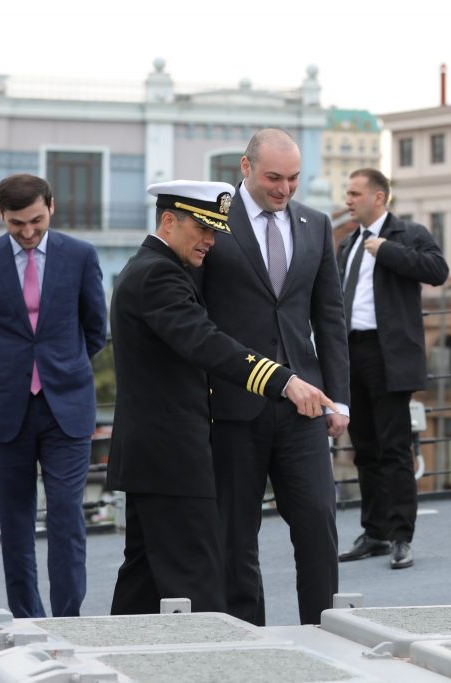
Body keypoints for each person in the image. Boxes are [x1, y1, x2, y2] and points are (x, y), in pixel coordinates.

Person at [107, 180, 335, 615]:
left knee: (144, 581)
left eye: (216, 230)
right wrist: (282, 380)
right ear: (169, 221)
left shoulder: (155, 267)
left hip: (153, 457)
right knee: (199, 585)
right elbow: (206, 342)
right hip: (170, 457)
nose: (211, 241)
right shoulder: (158, 275)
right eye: (203, 229)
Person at [198, 129, 350, 625]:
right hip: (233, 406)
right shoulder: (213, 221)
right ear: (245, 168)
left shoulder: (315, 223)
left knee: (318, 526)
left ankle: (325, 631)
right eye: (273, 178)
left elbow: (330, 318)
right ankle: (248, 641)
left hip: (303, 406)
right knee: (235, 536)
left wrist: (340, 401)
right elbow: (196, 318)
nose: (284, 189)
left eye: (293, 178)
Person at [0, 173, 107, 618]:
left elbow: (95, 329)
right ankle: (28, 619)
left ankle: (67, 621)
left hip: (68, 407)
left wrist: (60, 366)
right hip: (7, 408)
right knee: (16, 523)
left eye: (36, 220)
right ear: (0, 215)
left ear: (52, 208)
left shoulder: (80, 256)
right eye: (16, 223)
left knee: (66, 517)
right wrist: (11, 374)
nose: (27, 232)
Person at [336, 168, 448, 569]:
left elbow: (438, 271)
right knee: (363, 449)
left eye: (354, 193)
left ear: (379, 198)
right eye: (347, 193)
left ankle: (401, 536)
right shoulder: (348, 244)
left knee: (394, 449)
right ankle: (376, 533)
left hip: (388, 354)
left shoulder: (407, 234)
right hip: (352, 352)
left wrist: (386, 251)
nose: (347, 200)